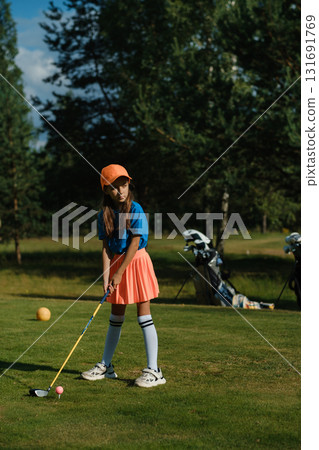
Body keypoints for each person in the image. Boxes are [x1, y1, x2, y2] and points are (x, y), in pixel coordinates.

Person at [81, 164, 166, 388]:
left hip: (136, 262)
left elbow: (135, 242)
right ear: (106, 191)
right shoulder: (104, 215)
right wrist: (106, 277)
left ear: (129, 185)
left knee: (142, 315)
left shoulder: (135, 208)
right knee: (115, 317)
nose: (121, 191)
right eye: (115, 188)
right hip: (117, 266)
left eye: (124, 185)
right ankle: (106, 366)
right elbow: (107, 249)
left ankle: (155, 371)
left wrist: (118, 273)